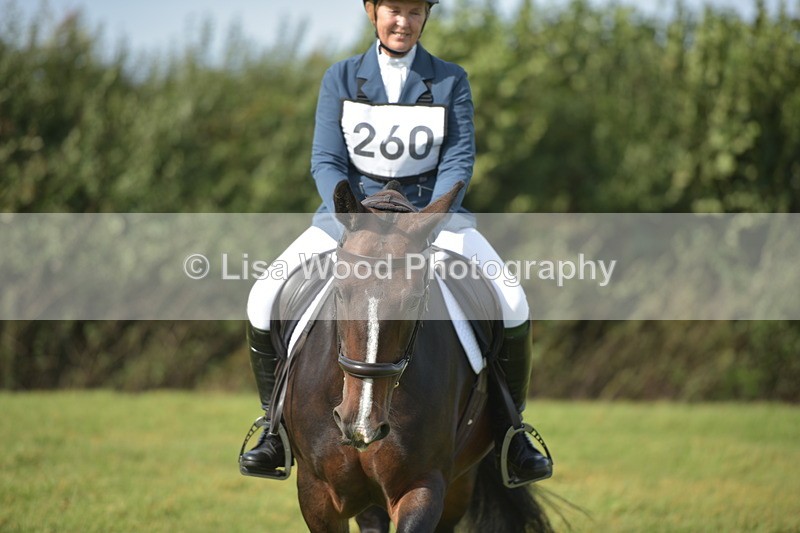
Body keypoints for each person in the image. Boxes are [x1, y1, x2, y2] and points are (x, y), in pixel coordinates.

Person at [241, 0, 552, 485]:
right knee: (262, 296)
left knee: (512, 299)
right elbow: (326, 159)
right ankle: (272, 430)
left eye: (414, 11)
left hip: (429, 220)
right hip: (351, 221)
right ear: (371, 11)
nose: (403, 21)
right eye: (393, 10)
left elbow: (459, 160)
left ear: (425, 17)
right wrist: (353, 214)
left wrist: (429, 217)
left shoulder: (450, 80)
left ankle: (514, 435)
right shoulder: (341, 77)